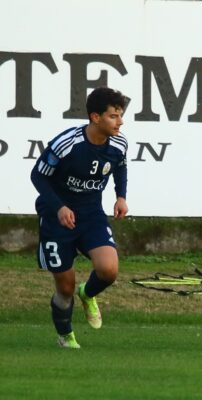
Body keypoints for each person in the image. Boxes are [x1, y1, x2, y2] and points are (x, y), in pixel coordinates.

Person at [31, 87, 129, 349]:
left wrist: (121, 196)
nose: (120, 121)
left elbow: (120, 166)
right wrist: (60, 207)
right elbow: (38, 175)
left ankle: (87, 294)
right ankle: (66, 336)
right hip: (56, 217)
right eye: (113, 116)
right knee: (64, 288)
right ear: (95, 117)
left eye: (120, 115)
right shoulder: (67, 143)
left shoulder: (119, 143)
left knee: (108, 270)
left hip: (91, 214)